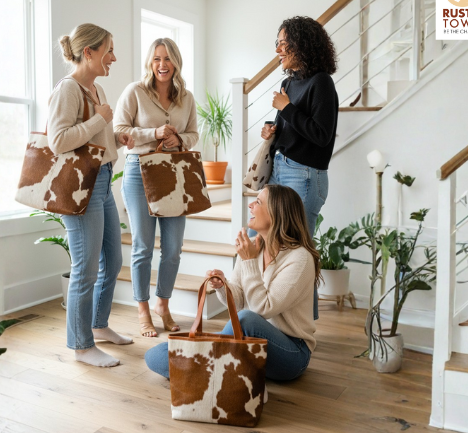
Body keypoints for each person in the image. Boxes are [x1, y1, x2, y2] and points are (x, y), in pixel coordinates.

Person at [144, 184, 320, 381]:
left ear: (276, 214)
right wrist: (223, 286)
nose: (251, 205)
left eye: (259, 202)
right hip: (250, 342)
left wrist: (249, 261)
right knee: (157, 353)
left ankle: (205, 372)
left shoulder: (300, 258)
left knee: (245, 320)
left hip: (291, 352)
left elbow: (261, 309)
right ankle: (215, 374)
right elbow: (238, 305)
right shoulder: (253, 246)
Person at [49, 23, 135, 368]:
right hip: (79, 189)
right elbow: (58, 141)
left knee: (112, 261)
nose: (113, 57)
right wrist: (100, 120)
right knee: (85, 269)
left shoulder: (95, 90)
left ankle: (98, 326)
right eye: (108, 50)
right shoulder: (68, 89)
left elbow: (94, 137)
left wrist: (116, 137)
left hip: (102, 183)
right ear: (89, 52)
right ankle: (82, 347)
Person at [114, 38, 199, 338]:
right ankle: (143, 310)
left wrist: (181, 140)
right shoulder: (135, 91)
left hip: (174, 174)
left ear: (176, 62)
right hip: (139, 173)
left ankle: (163, 304)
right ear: (150, 63)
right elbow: (119, 130)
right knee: (142, 247)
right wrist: (154, 132)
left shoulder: (186, 97)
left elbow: (193, 133)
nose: (162, 64)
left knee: (173, 249)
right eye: (156, 59)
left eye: (167, 59)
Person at [259, 15, 339, 320]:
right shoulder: (288, 82)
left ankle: (303, 325)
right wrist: (272, 129)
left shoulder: (321, 83)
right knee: (276, 246)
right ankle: (280, 318)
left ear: (300, 45)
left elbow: (321, 135)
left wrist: (286, 108)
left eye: (282, 42)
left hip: (305, 175)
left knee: (299, 254)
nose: (278, 49)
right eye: (277, 42)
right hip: (281, 169)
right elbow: (287, 125)